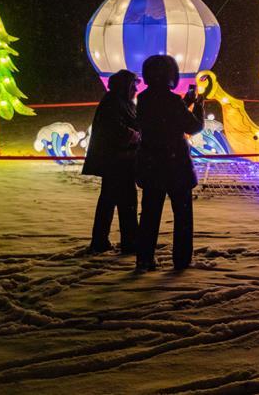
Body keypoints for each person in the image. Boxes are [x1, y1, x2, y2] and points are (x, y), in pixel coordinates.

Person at [134, 55, 205, 272]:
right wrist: (199, 106)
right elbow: (192, 127)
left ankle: (144, 258)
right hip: (176, 167)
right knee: (182, 216)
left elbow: (163, 116)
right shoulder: (172, 101)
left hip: (151, 164)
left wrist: (186, 103)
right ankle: (181, 259)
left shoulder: (143, 100)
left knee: (149, 215)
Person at [82, 69, 140, 254]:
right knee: (125, 202)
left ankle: (103, 240)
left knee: (112, 201)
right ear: (126, 86)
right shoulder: (115, 103)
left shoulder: (119, 102)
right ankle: (128, 242)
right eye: (133, 86)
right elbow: (116, 130)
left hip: (118, 160)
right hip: (117, 161)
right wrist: (136, 136)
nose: (135, 90)